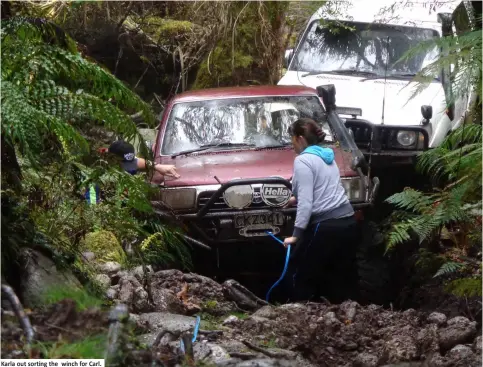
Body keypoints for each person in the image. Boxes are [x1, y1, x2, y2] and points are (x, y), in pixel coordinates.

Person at [282, 118, 360, 304]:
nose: (292, 144)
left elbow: (307, 203)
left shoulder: (303, 160)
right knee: (340, 273)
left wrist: (296, 235)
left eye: (292, 139)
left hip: (326, 225)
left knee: (299, 269)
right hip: (348, 221)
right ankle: (347, 314)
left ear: (300, 139)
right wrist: (295, 198)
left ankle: (296, 313)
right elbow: (322, 187)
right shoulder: (327, 156)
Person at [107, 140, 180, 178]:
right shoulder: (101, 167)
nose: (129, 165)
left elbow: (136, 162)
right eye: (125, 162)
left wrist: (158, 166)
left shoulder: (127, 163)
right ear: (113, 158)